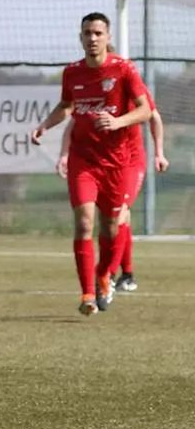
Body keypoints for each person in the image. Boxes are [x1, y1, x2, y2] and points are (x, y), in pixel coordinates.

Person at [31, 12, 152, 316]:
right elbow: (66, 105)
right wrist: (45, 125)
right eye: (87, 33)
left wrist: (117, 121)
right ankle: (87, 293)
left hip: (116, 162)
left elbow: (146, 110)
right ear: (80, 37)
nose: (92, 38)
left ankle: (103, 275)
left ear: (108, 37)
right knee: (84, 222)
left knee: (111, 227)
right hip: (83, 161)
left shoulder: (124, 70)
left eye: (98, 33)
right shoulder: (72, 72)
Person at [56, 74, 168, 293]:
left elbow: (153, 116)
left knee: (121, 214)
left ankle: (111, 274)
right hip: (103, 162)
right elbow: (74, 122)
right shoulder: (93, 92)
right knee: (108, 219)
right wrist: (64, 154)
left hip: (132, 162)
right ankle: (123, 273)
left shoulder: (131, 85)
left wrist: (159, 153)